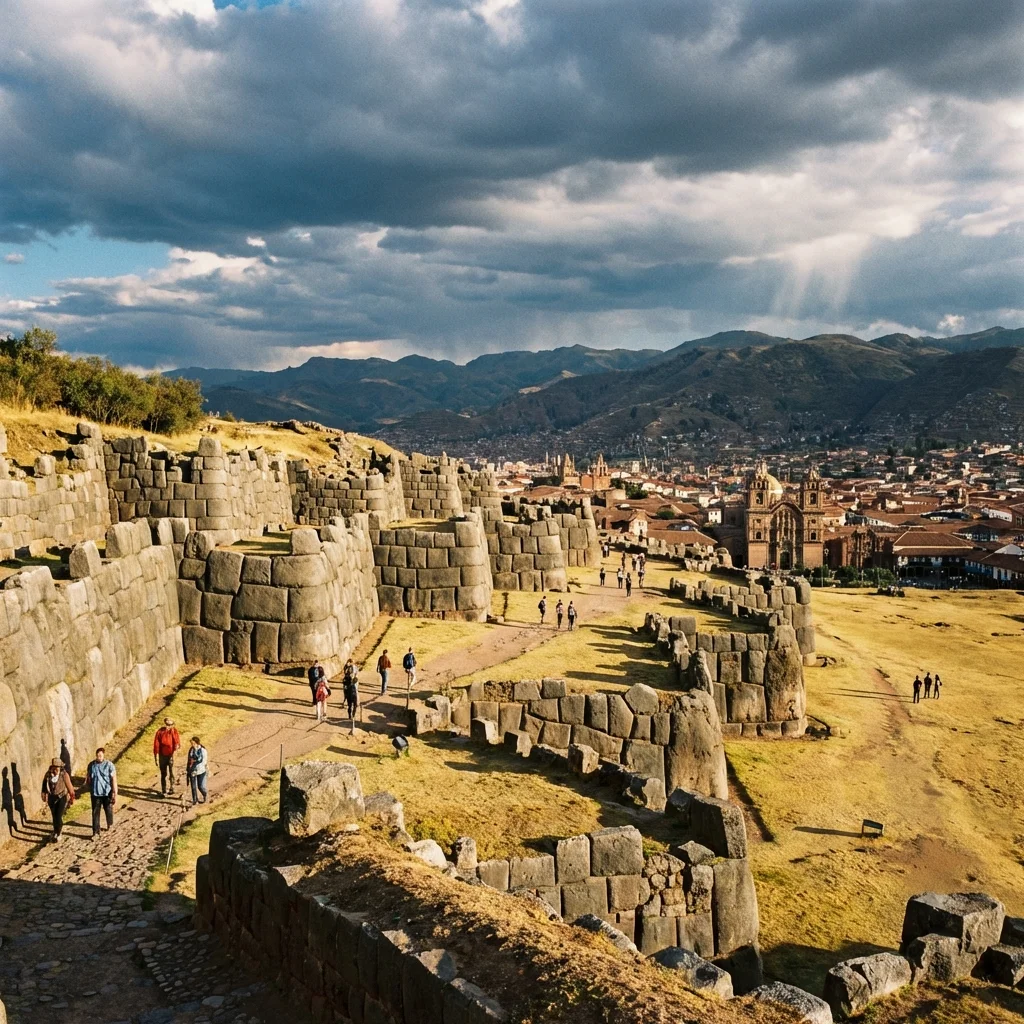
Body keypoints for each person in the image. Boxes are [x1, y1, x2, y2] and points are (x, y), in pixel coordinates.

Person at [40, 757, 74, 843]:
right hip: (52, 798)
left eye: (58, 767)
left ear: (60, 767)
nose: (56, 769)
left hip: (61, 797)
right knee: (54, 817)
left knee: (58, 816)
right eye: (54, 767)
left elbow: (69, 786)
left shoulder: (64, 774)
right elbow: (44, 785)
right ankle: (55, 831)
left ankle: (59, 833)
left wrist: (72, 797)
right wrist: (44, 795)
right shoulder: (48, 774)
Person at [85, 747, 117, 837]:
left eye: (101, 755)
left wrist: (114, 792)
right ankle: (96, 831)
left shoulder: (109, 765)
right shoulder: (91, 765)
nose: (99, 757)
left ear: (103, 755)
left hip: (107, 791)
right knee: (95, 812)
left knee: (108, 809)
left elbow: (113, 779)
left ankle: (110, 824)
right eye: (98, 755)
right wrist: (89, 788)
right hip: (95, 792)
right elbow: (88, 778)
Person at [153, 717, 181, 796]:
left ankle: (172, 787)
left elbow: (177, 742)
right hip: (162, 755)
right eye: (167, 724)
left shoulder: (174, 732)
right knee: (163, 773)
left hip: (171, 755)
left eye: (170, 724)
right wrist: (155, 756)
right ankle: (164, 789)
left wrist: (176, 750)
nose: (168, 726)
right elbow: (156, 744)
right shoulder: (160, 732)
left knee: (172, 772)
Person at [186, 737, 208, 806]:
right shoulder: (191, 750)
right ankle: (195, 800)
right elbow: (189, 760)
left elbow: (203, 760)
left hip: (201, 770)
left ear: (197, 743)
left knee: (200, 786)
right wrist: (188, 769)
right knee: (193, 786)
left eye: (193, 743)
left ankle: (204, 794)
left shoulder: (202, 750)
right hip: (193, 770)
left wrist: (196, 763)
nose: (192, 745)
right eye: (191, 743)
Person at [11, 762, 26, 827]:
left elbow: (16, 785)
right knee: (21, 809)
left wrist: (14, 794)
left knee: (20, 809)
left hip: (17, 794)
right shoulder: (16, 774)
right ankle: (24, 821)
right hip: (18, 794)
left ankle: (24, 822)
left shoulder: (15, 775)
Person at [2, 767, 16, 836]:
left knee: (10, 817)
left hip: (8, 801)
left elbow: (7, 791)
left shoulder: (6, 781)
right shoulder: (5, 781)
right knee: (9, 818)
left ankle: (13, 828)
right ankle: (12, 832)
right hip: (7, 801)